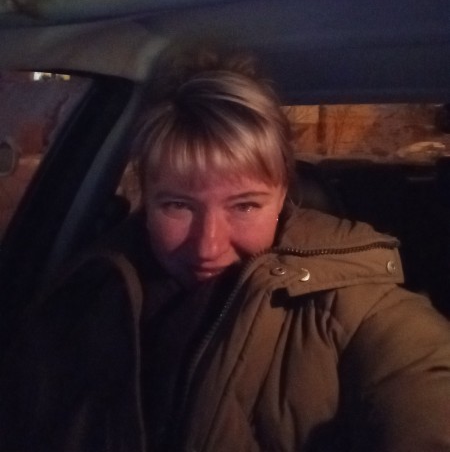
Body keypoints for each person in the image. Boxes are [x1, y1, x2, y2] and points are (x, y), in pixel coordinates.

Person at [1, 41, 450, 452]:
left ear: (283, 195)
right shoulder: (83, 289)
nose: (207, 246)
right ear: (144, 197)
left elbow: (420, 380)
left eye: (245, 205)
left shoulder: (358, 308)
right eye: (178, 205)